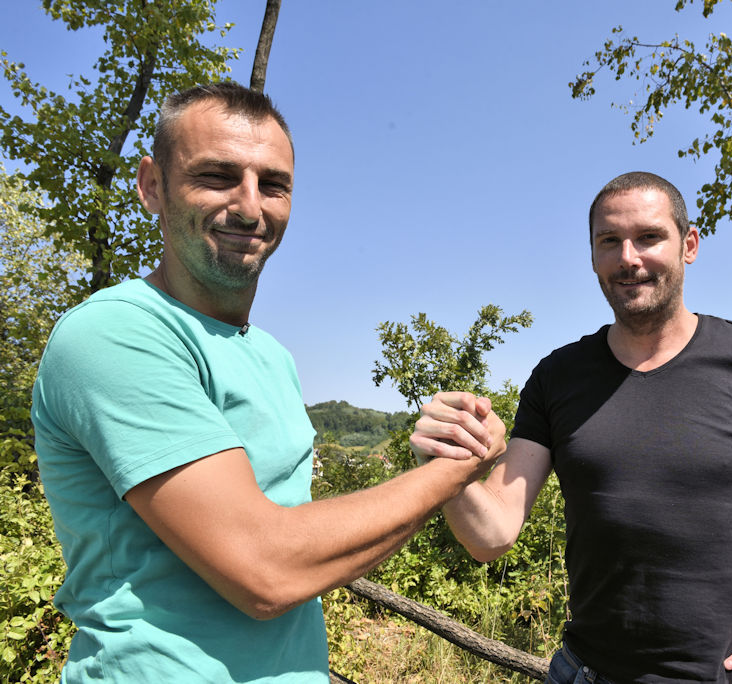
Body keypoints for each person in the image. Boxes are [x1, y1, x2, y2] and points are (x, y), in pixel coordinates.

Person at [31, 82, 501, 683]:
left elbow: (299, 549)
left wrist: (446, 452)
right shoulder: (115, 333)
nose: (251, 207)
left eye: (273, 185)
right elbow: (267, 571)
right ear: (152, 185)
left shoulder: (271, 355)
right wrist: (452, 470)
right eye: (217, 176)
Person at [411, 172, 732, 684]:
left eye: (649, 237)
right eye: (609, 241)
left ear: (689, 245)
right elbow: (491, 536)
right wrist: (450, 468)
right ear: (593, 256)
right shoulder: (557, 378)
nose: (628, 258)